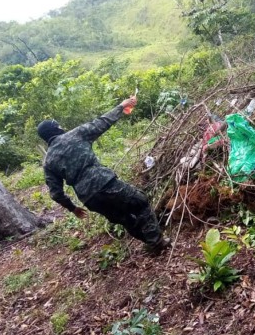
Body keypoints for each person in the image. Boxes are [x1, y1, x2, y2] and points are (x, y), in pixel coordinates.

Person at [37, 96, 170, 253]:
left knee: (124, 219)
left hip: (89, 199)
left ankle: (152, 243)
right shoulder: (74, 135)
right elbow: (102, 122)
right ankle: (156, 242)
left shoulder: (48, 162)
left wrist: (73, 208)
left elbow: (56, 194)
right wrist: (122, 106)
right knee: (140, 202)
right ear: (56, 128)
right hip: (105, 183)